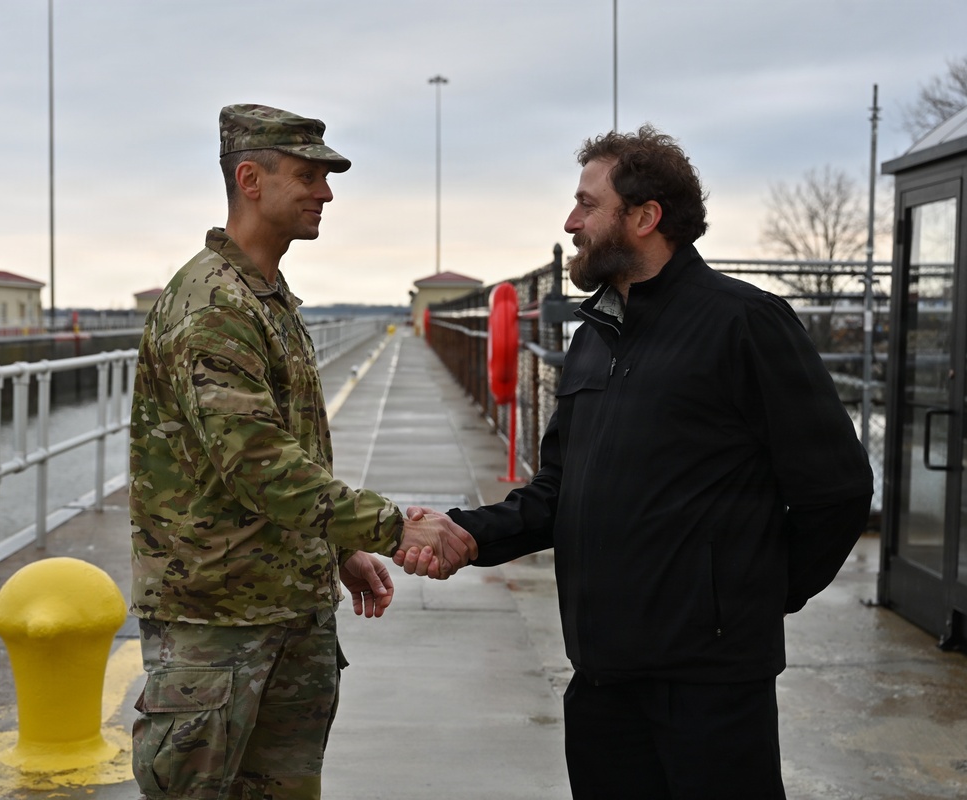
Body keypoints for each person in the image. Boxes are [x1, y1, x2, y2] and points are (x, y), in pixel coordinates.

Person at [398, 125, 873, 799]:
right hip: (600, 679)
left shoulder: (746, 324)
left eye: (587, 205)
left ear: (645, 217)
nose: (571, 222)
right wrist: (467, 533)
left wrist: (754, 598)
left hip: (707, 686)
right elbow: (559, 491)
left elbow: (838, 489)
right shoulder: (596, 335)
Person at [128, 103, 475, 800]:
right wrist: (393, 526)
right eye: (309, 175)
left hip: (282, 613)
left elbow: (277, 453)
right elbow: (258, 462)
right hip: (219, 628)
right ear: (250, 180)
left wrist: (333, 550)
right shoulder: (212, 304)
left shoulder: (267, 297)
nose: (326, 193)